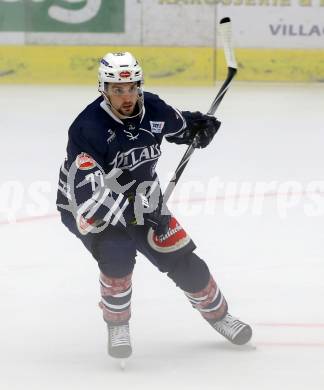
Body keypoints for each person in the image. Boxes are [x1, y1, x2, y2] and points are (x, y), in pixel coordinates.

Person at [56, 52, 252, 360]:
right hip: (86, 203)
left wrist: (198, 128)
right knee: (118, 256)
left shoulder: (153, 107)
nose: (127, 96)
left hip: (141, 199)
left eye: (132, 87)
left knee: (185, 261)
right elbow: (83, 187)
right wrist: (117, 216)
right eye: (117, 90)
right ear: (103, 89)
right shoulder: (87, 128)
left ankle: (219, 316)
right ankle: (117, 324)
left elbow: (179, 125)